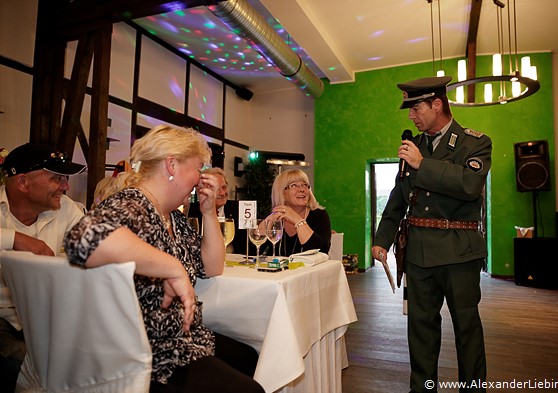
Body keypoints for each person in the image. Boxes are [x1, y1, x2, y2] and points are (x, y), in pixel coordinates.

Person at [63, 125, 264, 393]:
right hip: (148, 348)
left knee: (251, 357)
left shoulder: (174, 217)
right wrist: (172, 267)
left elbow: (212, 267)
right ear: (172, 165)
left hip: (184, 336)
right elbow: (83, 238)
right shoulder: (133, 204)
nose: (200, 179)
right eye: (197, 168)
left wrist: (208, 212)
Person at [371, 76, 491, 393]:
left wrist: (423, 164)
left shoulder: (474, 142)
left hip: (459, 252)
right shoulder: (415, 148)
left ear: (437, 105)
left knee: (467, 328)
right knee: (420, 330)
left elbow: (470, 185)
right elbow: (399, 198)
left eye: (415, 108)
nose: (411, 116)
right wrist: (381, 240)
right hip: (419, 254)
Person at [0, 143, 87, 391]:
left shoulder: (67, 209)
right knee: (35, 373)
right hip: (3, 318)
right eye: (56, 178)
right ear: (23, 182)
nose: (66, 186)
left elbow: (92, 247)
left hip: (47, 318)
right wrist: (15, 239)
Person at [267, 169, 331, 255]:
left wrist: (297, 220)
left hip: (309, 268)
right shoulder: (275, 216)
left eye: (305, 185)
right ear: (282, 193)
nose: (301, 189)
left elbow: (322, 251)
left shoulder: (319, 215)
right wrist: (266, 224)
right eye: (294, 185)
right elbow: (249, 250)